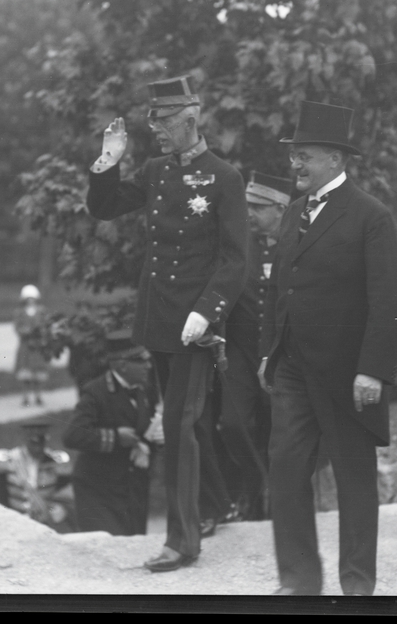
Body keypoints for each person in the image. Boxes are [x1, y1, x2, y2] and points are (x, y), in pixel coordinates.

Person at [85, 74, 247, 573]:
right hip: (159, 319)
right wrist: (108, 161)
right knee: (184, 423)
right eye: (152, 122)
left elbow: (235, 259)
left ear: (190, 120)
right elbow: (104, 207)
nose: (155, 130)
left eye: (163, 122)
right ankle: (208, 511)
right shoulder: (156, 171)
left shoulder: (224, 177)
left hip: (195, 325)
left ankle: (182, 541)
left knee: (179, 425)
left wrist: (207, 310)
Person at [259, 100, 397, 596]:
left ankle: (357, 585)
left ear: (336, 160)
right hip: (292, 369)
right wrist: (269, 352)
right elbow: (279, 288)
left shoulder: (371, 216)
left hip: (347, 373)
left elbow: (388, 301)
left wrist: (373, 370)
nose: (295, 164)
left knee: (354, 478)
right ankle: (299, 581)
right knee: (286, 469)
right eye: (294, 155)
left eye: (305, 155)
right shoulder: (293, 212)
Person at [219, 170, 289, 521]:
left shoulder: (297, 243)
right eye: (247, 205)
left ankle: (277, 500)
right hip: (241, 353)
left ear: (280, 209)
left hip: (282, 357)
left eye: (258, 207)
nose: (249, 213)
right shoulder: (238, 244)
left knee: (279, 430)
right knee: (233, 425)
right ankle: (254, 485)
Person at [63, 330, 157, 536]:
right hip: (98, 490)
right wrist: (115, 437)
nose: (148, 366)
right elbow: (72, 435)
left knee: (133, 546)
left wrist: (147, 445)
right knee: (107, 546)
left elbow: (143, 428)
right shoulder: (96, 392)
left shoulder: (143, 389)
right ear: (122, 365)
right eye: (141, 361)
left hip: (131, 488)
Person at [0, 420, 74, 533]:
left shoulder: (57, 461)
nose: (37, 446)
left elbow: (66, 496)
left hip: (47, 523)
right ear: (25, 437)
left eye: (41, 440)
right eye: (33, 441)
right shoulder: (9, 460)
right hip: (16, 523)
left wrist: (60, 509)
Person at [13, 284, 51, 406]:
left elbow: (46, 326)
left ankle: (38, 396)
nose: (30, 300)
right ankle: (25, 397)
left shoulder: (42, 311)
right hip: (25, 346)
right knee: (25, 374)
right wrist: (26, 331)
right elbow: (17, 327)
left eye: (32, 298)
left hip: (38, 346)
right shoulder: (20, 312)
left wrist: (41, 332)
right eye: (28, 298)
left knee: (38, 373)